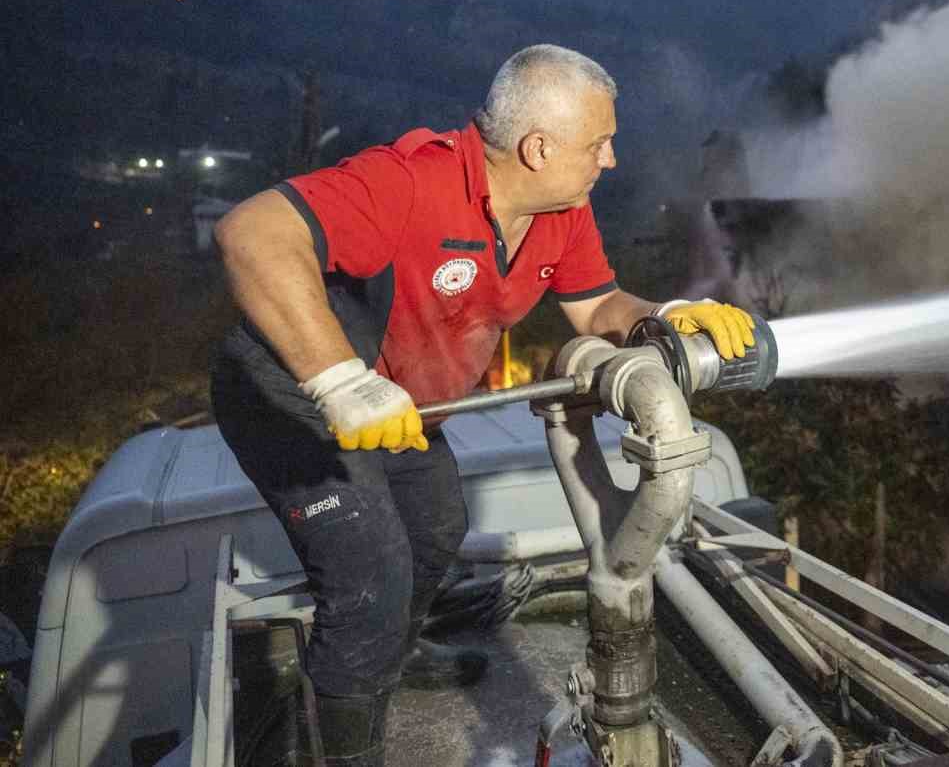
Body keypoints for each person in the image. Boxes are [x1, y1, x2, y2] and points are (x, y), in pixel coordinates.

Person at [210, 43, 754, 767]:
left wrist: (670, 314)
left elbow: (596, 309)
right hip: (295, 386)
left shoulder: (561, 211)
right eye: (599, 144)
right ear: (537, 148)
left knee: (437, 530)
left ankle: (387, 662)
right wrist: (339, 380)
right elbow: (248, 232)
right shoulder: (408, 181)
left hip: (397, 401)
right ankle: (343, 751)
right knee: (370, 578)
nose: (610, 160)